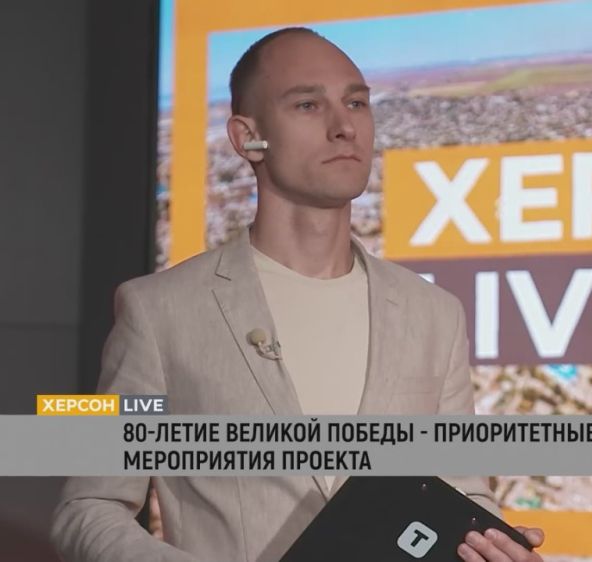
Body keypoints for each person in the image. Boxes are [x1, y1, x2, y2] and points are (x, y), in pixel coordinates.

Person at [50, 27, 545, 562]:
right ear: (247, 137)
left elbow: (461, 494)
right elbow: (87, 507)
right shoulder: (155, 311)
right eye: (308, 104)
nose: (344, 126)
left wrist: (491, 547)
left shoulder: (434, 315)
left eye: (356, 103)